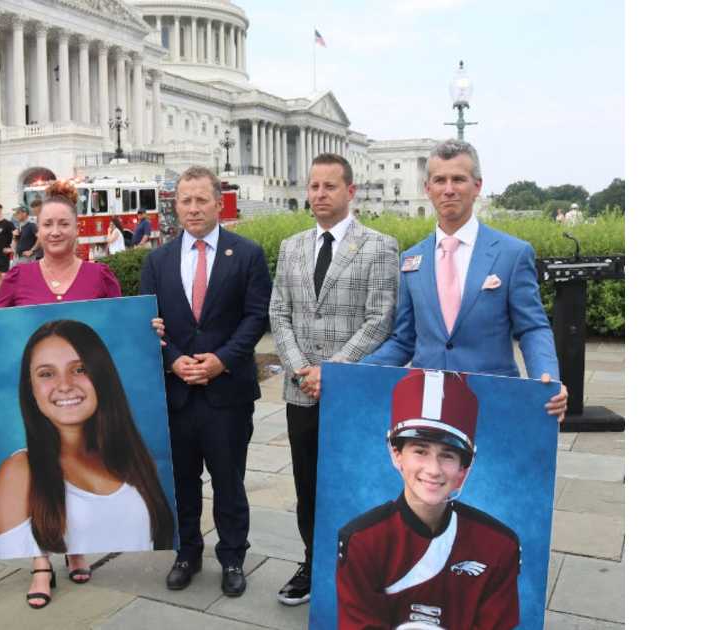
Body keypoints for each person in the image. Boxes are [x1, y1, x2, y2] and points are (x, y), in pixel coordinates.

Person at [268, 153, 399, 606]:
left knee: (355, 481)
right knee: (308, 487)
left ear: (350, 192)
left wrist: (334, 371)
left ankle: (361, 569)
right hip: (300, 389)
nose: (319, 194)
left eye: (329, 186)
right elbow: (278, 313)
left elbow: (380, 319)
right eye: (313, 186)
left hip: (352, 393)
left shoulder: (380, 246)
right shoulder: (291, 246)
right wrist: (301, 369)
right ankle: (314, 561)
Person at [361, 139, 568, 421]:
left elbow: (532, 328)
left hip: (492, 400)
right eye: (440, 180)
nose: (449, 189)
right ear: (428, 189)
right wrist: (356, 370)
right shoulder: (411, 258)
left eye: (458, 179)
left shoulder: (512, 253)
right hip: (426, 403)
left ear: (477, 186)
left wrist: (547, 377)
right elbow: (403, 341)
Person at [0, 180, 122, 609]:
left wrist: (147, 328)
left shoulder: (99, 276)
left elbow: (117, 329)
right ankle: (41, 562)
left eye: (64, 223)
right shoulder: (18, 277)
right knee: (41, 465)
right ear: (37, 229)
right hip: (42, 392)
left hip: (82, 394)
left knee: (76, 464)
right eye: (47, 223)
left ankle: (77, 545)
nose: (55, 231)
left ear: (77, 228)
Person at [139, 165, 271, 597]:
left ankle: (233, 558)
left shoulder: (246, 254)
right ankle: (187, 553)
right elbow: (147, 323)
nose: (193, 209)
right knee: (182, 480)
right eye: (185, 201)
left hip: (226, 392)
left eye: (201, 200)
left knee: (229, 481)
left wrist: (223, 360)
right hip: (176, 393)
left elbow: (256, 317)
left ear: (218, 202)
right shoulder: (156, 260)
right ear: (174, 206)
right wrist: (173, 360)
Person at [0, 321, 175, 596]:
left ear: (102, 376)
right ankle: (42, 570)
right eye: (46, 373)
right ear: (30, 387)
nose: (64, 385)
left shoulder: (138, 460)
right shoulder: (18, 471)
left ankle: (76, 554)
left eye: (79, 369)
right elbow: (13, 549)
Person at [337, 369, 519, 630]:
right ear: (396, 455)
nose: (433, 469)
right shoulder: (362, 541)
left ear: (463, 470)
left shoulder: (499, 546)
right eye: (420, 451)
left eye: (447, 455)